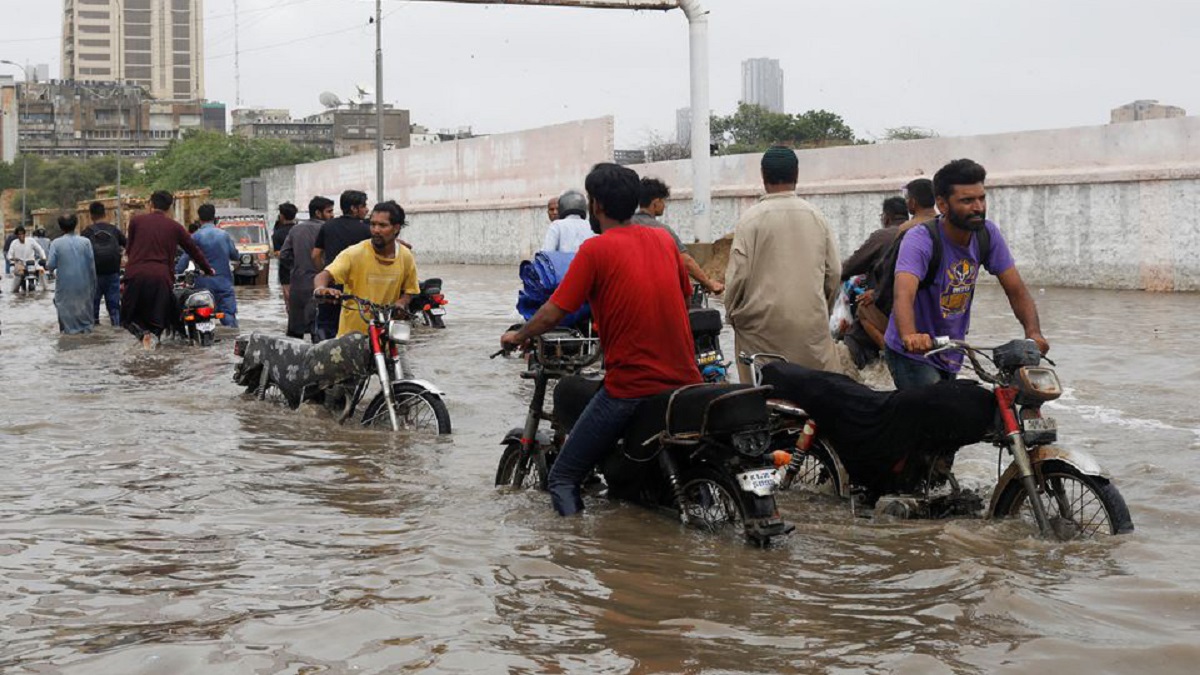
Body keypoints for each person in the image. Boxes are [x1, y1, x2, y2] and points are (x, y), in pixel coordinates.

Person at [500, 163, 701, 516]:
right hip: (686, 380)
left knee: (563, 476)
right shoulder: (664, 241)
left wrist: (520, 335)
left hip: (631, 386)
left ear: (597, 206)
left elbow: (555, 311)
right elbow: (684, 300)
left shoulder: (595, 250)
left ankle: (573, 558)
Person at [885, 158, 1048, 389]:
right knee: (934, 413)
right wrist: (911, 335)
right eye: (967, 200)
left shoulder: (987, 234)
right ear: (942, 205)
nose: (978, 207)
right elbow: (903, 294)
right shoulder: (920, 239)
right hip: (913, 353)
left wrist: (1034, 334)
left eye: (981, 198)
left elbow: (1016, 290)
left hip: (952, 349)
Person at [725, 146, 842, 382]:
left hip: (760, 328)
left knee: (761, 395)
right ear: (796, 175)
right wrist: (820, 309)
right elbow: (834, 272)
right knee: (819, 392)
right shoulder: (816, 216)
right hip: (810, 327)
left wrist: (733, 314)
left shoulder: (751, 219)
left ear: (763, 175)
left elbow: (738, 277)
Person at [122, 190, 215, 349]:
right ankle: (159, 342)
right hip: (161, 278)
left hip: (135, 275)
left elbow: (129, 250)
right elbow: (193, 250)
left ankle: (142, 335)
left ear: (151, 204)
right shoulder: (175, 227)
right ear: (170, 207)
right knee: (164, 318)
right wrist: (208, 269)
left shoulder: (136, 222)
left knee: (126, 317)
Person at [313, 200, 419, 338]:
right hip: (351, 339)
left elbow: (411, 290)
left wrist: (401, 302)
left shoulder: (405, 256)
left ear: (396, 228)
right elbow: (324, 275)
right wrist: (321, 289)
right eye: (373, 224)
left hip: (385, 334)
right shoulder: (354, 253)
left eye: (382, 225)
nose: (376, 230)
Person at [631, 177, 724, 296]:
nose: (664, 205)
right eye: (663, 201)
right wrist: (709, 284)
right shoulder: (662, 231)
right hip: (656, 294)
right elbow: (686, 262)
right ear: (655, 203)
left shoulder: (624, 226)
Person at [311, 190, 371, 341]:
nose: (367, 209)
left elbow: (315, 255)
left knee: (326, 325)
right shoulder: (367, 230)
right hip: (359, 288)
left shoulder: (328, 226)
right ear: (354, 208)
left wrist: (324, 274)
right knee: (357, 329)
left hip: (331, 286)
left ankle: (324, 358)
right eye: (364, 206)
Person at [176, 204, 240, 328]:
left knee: (199, 318)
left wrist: (176, 273)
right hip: (224, 283)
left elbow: (183, 262)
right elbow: (235, 256)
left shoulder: (195, 236)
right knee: (229, 316)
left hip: (203, 285)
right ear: (214, 217)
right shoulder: (224, 235)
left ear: (199, 219)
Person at [280, 196, 333, 340]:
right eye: (329, 211)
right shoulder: (328, 229)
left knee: (294, 334)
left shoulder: (295, 230)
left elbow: (284, 255)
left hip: (298, 286)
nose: (332, 215)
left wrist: (298, 266)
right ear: (318, 213)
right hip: (321, 287)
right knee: (319, 333)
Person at [46, 213, 97, 334]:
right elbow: (92, 267)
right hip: (84, 287)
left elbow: (51, 265)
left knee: (66, 323)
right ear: (76, 225)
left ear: (61, 227)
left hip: (65, 289)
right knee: (86, 322)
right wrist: (93, 287)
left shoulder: (56, 243)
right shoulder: (86, 242)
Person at [82, 201, 126, 327]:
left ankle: (94, 335)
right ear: (105, 213)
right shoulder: (114, 230)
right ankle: (116, 327)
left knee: (93, 307)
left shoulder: (87, 232)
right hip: (113, 273)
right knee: (114, 307)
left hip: (93, 275)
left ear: (91, 215)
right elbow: (128, 244)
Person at [7, 226, 47, 290]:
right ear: (17, 235)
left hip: (32, 263)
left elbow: (39, 249)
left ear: (25, 234)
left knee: (42, 271)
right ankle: (15, 290)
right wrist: (13, 259)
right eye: (19, 234)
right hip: (20, 264)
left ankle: (45, 289)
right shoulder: (14, 243)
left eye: (22, 233)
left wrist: (43, 257)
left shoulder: (31, 241)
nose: (21, 236)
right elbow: (9, 255)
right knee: (18, 276)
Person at [273, 202, 298, 305]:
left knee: (289, 301)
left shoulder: (277, 234)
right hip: (302, 269)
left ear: (281, 216)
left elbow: (278, 254)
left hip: (286, 272)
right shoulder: (300, 230)